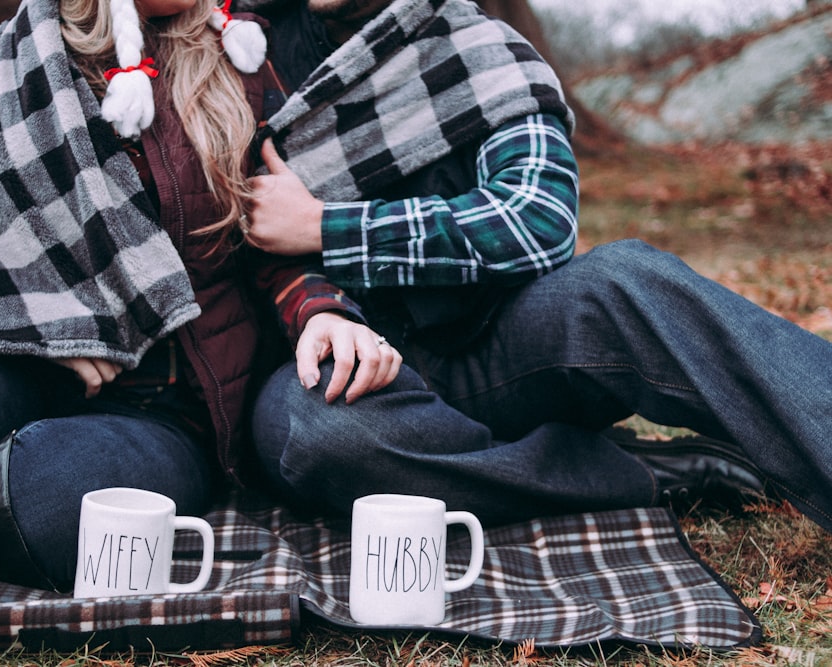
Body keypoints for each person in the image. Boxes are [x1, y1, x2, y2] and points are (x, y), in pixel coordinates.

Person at [0, 0, 398, 592]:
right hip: (12, 357)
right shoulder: (7, 62)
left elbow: (279, 234)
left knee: (53, 500)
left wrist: (320, 310)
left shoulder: (243, 60)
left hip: (159, 408)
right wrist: (41, 329)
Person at [240, 0, 832, 532]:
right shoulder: (247, 54)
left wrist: (324, 226)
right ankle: (634, 474)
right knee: (311, 435)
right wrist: (322, 297)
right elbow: (245, 242)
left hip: (497, 349)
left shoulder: (480, 50)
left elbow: (536, 220)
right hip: (347, 370)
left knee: (626, 280)